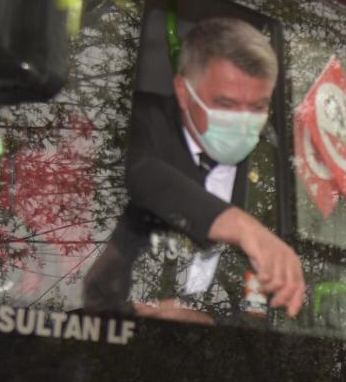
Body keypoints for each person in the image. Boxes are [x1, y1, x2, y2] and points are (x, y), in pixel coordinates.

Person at [82, 16, 304, 319]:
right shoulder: (140, 120)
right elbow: (141, 171)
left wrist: (210, 324)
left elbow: (276, 305)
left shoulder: (272, 168)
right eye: (226, 104)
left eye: (257, 107)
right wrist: (242, 227)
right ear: (184, 93)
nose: (243, 123)